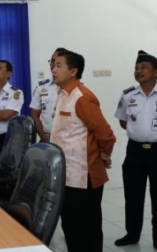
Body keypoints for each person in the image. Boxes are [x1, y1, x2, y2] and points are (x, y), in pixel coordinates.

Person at [50, 50, 116, 252]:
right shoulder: (63, 95)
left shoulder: (82, 97)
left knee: (86, 232)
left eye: (59, 65)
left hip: (82, 177)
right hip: (66, 176)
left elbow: (106, 135)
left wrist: (103, 157)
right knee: (71, 228)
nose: (53, 69)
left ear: (73, 71)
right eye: (52, 64)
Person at [113, 50, 157, 252]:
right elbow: (123, 120)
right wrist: (139, 132)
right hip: (135, 152)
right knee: (133, 196)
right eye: (137, 68)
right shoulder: (128, 94)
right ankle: (132, 234)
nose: (139, 71)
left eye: (144, 67)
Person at [30, 47, 66, 142]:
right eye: (52, 61)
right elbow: (34, 115)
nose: (53, 64)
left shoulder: (75, 89)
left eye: (57, 62)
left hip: (68, 141)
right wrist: (45, 139)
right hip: (46, 139)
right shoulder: (41, 87)